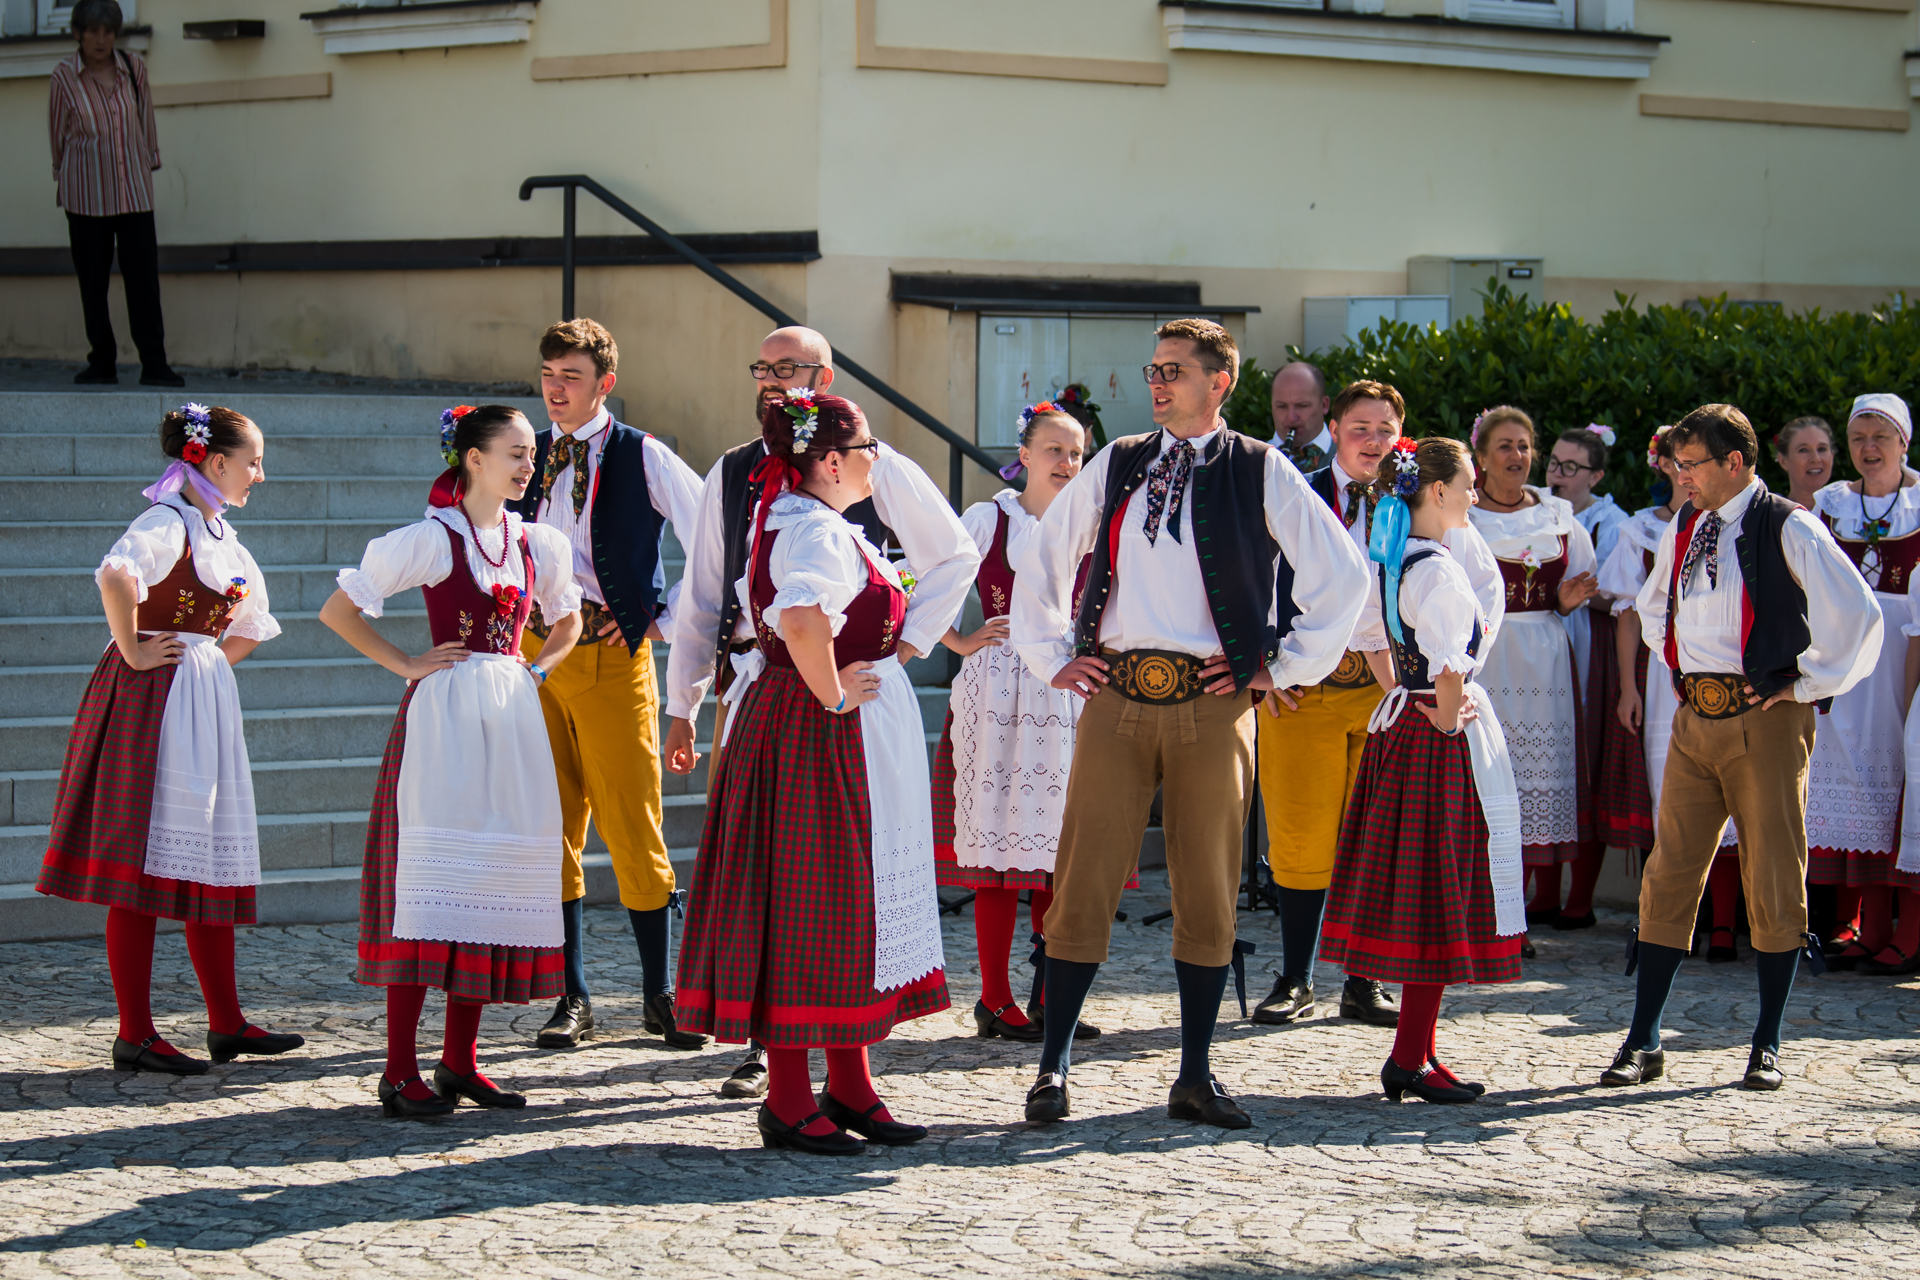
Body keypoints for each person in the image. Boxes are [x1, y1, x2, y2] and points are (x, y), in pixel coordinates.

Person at [1011, 319, 1368, 1128]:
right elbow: (1044, 557)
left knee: (1208, 888)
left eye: (1173, 370)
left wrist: (1281, 666)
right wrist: (1050, 656)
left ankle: (1196, 1075)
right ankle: (1053, 1066)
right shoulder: (1120, 459)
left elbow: (1343, 577)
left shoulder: (1259, 466)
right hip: (1117, 694)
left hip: (1214, 702)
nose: (1157, 382)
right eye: (1153, 369)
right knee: (1083, 880)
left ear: (1219, 382)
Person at [662, 324, 978, 1098]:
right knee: (805, 891)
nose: (772, 379)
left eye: (789, 368)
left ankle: (844, 1081)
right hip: (791, 699)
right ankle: (789, 1081)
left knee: (831, 892)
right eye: (762, 366)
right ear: (832, 460)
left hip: (821, 698)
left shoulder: (848, 481)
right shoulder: (761, 491)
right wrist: (686, 701)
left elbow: (952, 554)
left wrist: (903, 647)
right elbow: (713, 596)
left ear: (823, 378)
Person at [1602, 403, 1881, 1093]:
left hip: (1767, 720)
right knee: (1669, 872)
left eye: (1691, 464)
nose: (1681, 475)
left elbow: (1860, 616)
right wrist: (1684, 669)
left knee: (1774, 874)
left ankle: (1767, 1043)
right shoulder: (1688, 523)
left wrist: (1803, 683)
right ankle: (1643, 1039)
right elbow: (1654, 604)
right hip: (1696, 717)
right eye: (1677, 463)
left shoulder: (1790, 524)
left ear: (1734, 462)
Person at [321, 405, 583, 1118]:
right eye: (515, 453)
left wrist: (539, 669)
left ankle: (459, 1062)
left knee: (487, 880)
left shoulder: (536, 542)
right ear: (473, 458)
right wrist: (407, 663)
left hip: (512, 718)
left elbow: (569, 618)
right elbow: (338, 611)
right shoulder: (433, 539)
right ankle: (397, 1070)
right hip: (445, 721)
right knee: (430, 885)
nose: (528, 464)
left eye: (531, 453)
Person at [37, 404, 296, 1074]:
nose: (259, 475)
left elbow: (253, 623)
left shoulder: (223, 538)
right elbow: (115, 574)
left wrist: (205, 664)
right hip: (149, 700)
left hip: (195, 701)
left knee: (208, 857)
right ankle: (135, 1033)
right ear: (216, 462)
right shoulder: (167, 521)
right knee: (142, 864)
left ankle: (227, 1022)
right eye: (253, 462)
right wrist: (133, 649)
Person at [1250, 380, 1506, 1030]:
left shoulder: (1421, 504)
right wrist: (1266, 662)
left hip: (1387, 695)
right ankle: (1297, 976)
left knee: (1375, 838)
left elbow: (1480, 590)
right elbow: (1249, 572)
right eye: (1360, 427)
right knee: (1301, 834)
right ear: (1332, 428)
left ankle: (1363, 981)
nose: (1372, 440)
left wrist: (1452, 671)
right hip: (1302, 689)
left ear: (1401, 435)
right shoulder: (1296, 492)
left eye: (1385, 429)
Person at [503, 319, 704, 1054]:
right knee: (550, 824)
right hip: (534, 654)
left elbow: (713, 537)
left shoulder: (642, 453)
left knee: (632, 822)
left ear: (605, 384)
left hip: (612, 658)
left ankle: (659, 993)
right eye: (548, 374)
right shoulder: (525, 452)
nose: (556, 389)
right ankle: (573, 997)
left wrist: (660, 615)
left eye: (572, 377)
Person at [1320, 436, 1525, 1103]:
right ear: (1436, 491)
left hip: (1403, 729)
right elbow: (1447, 663)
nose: (1474, 493)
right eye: (1467, 483)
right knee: (1438, 893)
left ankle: (1417, 1051)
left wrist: (1405, 696)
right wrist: (1445, 713)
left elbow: (1372, 640)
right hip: (1435, 740)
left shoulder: (1394, 560)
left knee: (1426, 892)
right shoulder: (1436, 569)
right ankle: (1409, 1057)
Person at [931, 404, 1102, 1044]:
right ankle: (995, 999)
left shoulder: (1093, 522)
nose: (1067, 463)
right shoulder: (989, 518)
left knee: (1062, 853)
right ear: (1024, 456)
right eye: (1054, 450)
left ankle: (1052, 997)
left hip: (1068, 689)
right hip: (1000, 692)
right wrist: (960, 639)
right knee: (999, 853)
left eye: (1076, 453)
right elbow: (923, 577)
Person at [1468, 408, 1598, 938]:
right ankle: (1486, 911)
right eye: (1504, 445)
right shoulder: (1463, 516)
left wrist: (1564, 603)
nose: (1516, 455)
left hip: (1545, 660)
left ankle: (1514, 917)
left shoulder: (1558, 517)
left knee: (1533, 779)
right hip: (1488, 656)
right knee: (1490, 776)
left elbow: (1582, 579)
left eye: (1523, 445)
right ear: (1481, 457)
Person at [1807, 395, 1920, 976]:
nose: (1869, 448)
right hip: (1847, 659)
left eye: (1881, 437)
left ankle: (1904, 927)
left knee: (1903, 787)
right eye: (1858, 438)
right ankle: (1866, 926)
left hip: (1904, 654)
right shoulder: (1831, 504)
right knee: (1856, 789)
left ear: (1904, 442)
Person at [47, 0, 180, 387]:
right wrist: (63, 176)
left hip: (133, 192)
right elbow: (57, 136)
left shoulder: (133, 69)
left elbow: (146, 122)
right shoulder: (63, 78)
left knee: (143, 281)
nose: (100, 40)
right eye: (92, 31)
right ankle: (102, 362)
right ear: (78, 33)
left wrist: (150, 161)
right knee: (93, 283)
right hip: (86, 195)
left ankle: (154, 364)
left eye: (107, 31)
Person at [1549, 424, 1629, 932]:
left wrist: (1573, 593)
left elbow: (1621, 595)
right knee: (1545, 764)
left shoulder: (1612, 523)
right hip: (1543, 640)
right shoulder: (1537, 513)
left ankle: (1579, 898)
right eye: (1554, 463)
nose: (1557, 474)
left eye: (1571, 467)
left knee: (1587, 766)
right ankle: (1540, 893)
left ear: (1596, 476)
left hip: (1591, 647)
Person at [1270, 361, 1331, 471]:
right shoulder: (1254, 460)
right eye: (1281, 406)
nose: (1291, 417)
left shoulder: (1349, 458)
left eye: (1302, 406)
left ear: (1324, 405)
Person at [1776, 417, 1835, 512]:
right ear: (1783, 461)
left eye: (1822, 449)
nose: (1816, 459)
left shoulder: (1851, 513)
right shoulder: (1771, 515)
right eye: (1803, 450)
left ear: (1832, 456)